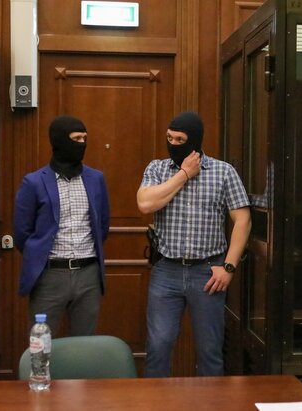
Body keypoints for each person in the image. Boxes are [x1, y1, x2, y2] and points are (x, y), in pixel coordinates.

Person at [137, 111, 251, 377]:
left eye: (180, 140)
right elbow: (145, 204)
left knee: (210, 349)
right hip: (166, 270)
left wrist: (229, 267)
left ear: (195, 141)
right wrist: (184, 174)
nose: (173, 144)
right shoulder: (157, 168)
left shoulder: (223, 172)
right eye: (169, 138)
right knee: (158, 346)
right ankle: (156, 399)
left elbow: (243, 220)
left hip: (208, 272)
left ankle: (210, 399)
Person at [13, 115, 110, 336]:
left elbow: (102, 225)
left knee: (85, 345)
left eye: (84, 138)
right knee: (42, 342)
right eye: (76, 138)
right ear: (59, 140)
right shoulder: (33, 182)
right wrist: (40, 255)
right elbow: (22, 233)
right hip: (50, 275)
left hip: (88, 274)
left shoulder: (96, 179)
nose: (82, 144)